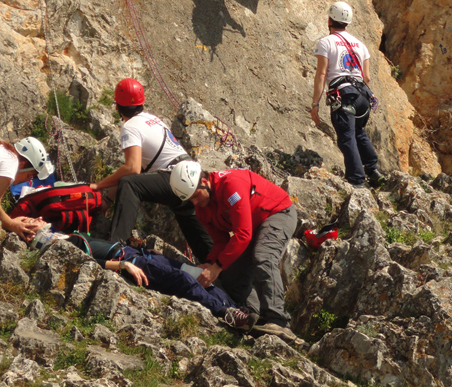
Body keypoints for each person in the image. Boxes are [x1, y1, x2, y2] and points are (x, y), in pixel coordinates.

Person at [170, 161, 298, 340]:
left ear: (205, 182)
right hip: (253, 225)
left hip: (277, 213)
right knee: (230, 275)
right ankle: (258, 319)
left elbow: (243, 234)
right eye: (190, 199)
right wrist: (210, 263)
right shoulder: (202, 209)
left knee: (264, 257)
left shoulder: (231, 186)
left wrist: (216, 267)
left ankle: (278, 321)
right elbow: (221, 242)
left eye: (195, 195)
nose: (195, 202)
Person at [90, 78, 212, 262]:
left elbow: (132, 169)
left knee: (130, 184)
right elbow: (133, 171)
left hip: (175, 176)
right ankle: (219, 274)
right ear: (141, 103)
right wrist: (108, 199)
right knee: (200, 239)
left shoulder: (129, 127)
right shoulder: (153, 119)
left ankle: (116, 248)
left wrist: (98, 186)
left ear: (117, 107)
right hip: (191, 176)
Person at [65, 233, 240, 322]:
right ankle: (225, 313)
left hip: (138, 254)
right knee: (183, 280)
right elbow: (87, 262)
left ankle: (239, 311)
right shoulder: (61, 243)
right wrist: (123, 265)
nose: (39, 219)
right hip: (131, 261)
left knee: (200, 276)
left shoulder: (63, 236)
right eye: (36, 220)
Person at [310, 1, 384, 189]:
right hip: (363, 97)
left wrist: (315, 103)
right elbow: (366, 77)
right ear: (348, 23)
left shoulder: (326, 42)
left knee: (346, 136)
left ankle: (356, 180)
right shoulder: (361, 45)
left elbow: (321, 74)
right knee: (358, 131)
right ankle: (372, 169)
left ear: (329, 19)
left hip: (343, 94)